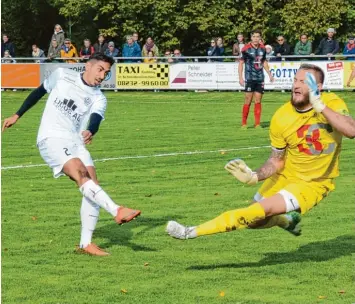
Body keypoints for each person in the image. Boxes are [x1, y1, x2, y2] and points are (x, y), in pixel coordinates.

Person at [166, 64, 355, 240]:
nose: (296, 86)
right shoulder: (281, 117)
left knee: (254, 212)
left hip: (313, 183)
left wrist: (319, 105)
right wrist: (254, 176)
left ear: (319, 86)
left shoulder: (331, 102)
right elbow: (276, 160)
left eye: (304, 82)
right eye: (295, 80)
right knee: (255, 221)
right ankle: (287, 221)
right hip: (285, 175)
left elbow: (351, 130)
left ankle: (189, 232)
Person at [2, 53, 141, 256]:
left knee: (92, 183)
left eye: (107, 72)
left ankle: (86, 244)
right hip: (51, 138)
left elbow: (94, 119)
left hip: (75, 141)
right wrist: (17, 114)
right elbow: (39, 92)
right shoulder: (61, 75)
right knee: (81, 174)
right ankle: (116, 210)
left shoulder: (99, 97)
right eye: (100, 70)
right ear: (88, 66)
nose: (103, 76)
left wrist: (90, 131)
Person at [239, 29, 274, 129]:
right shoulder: (245, 49)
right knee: (248, 100)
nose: (256, 39)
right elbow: (241, 63)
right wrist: (240, 77)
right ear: (251, 37)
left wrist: (269, 74)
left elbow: (264, 62)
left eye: (258, 37)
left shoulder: (263, 49)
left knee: (258, 100)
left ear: (260, 38)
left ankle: (257, 124)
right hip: (249, 77)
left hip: (260, 78)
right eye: (254, 36)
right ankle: (244, 123)